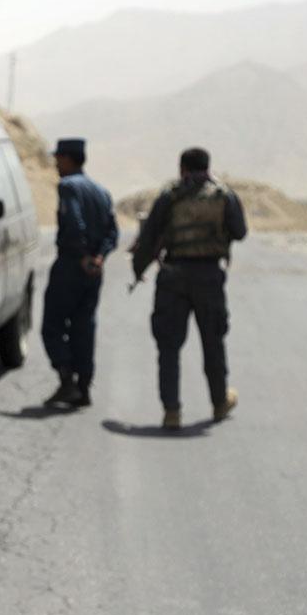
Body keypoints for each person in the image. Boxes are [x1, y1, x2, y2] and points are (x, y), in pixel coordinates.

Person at [132, 147, 246, 430]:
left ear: (182, 168)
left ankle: (172, 412)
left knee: (168, 346)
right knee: (213, 341)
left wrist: (138, 270)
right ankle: (219, 403)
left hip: (173, 276)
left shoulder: (170, 196)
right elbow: (240, 231)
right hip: (209, 276)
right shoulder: (223, 195)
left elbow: (148, 238)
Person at [42, 138, 119, 408]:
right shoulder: (101, 192)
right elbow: (112, 232)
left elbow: (74, 222)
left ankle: (67, 381)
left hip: (72, 266)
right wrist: (99, 257)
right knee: (84, 327)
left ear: (68, 159)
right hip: (93, 271)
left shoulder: (68, 187)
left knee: (52, 325)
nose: (55, 164)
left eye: (59, 158)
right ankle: (84, 387)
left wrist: (84, 255)